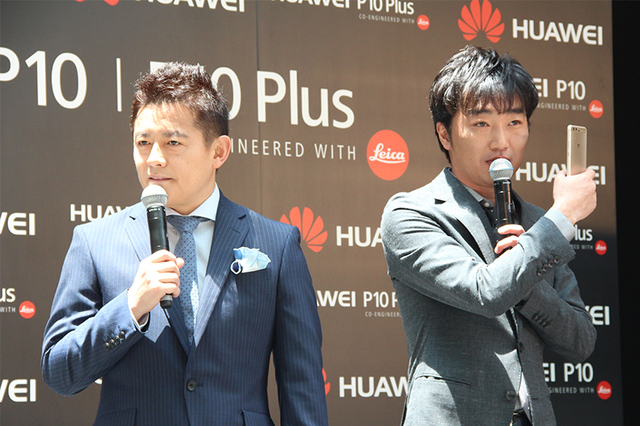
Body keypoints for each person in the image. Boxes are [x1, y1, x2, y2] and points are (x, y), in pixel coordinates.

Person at [41, 62, 328, 426]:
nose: (154, 158)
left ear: (219, 151)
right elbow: (60, 372)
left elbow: (302, 385)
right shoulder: (94, 240)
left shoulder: (277, 244)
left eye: (172, 142)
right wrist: (131, 306)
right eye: (143, 143)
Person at [381, 46, 597, 426]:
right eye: (481, 124)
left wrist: (528, 278)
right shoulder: (411, 213)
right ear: (445, 134)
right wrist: (562, 217)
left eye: (514, 122)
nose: (501, 142)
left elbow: (580, 340)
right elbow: (485, 292)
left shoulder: (537, 223)